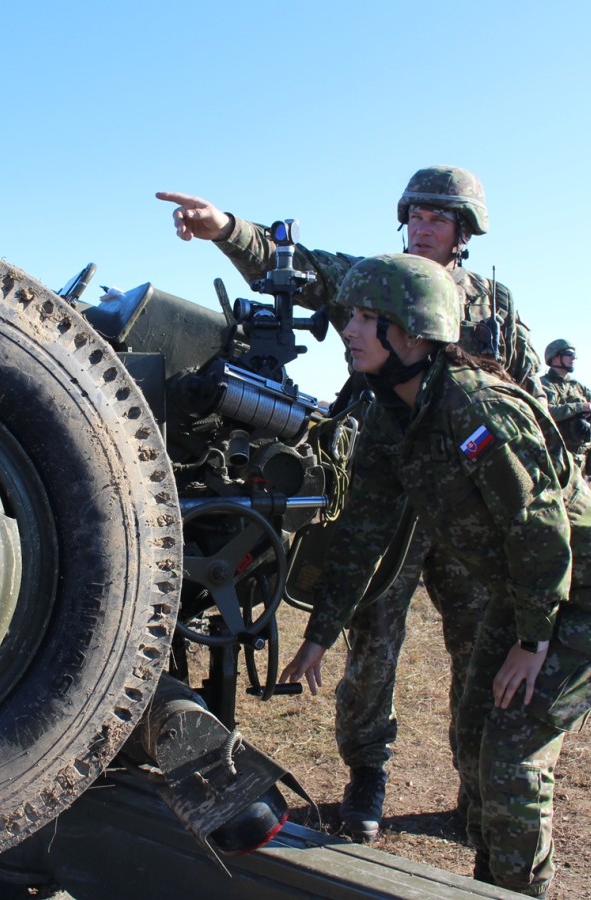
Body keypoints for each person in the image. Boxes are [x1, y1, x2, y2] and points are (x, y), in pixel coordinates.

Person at [158, 167, 541, 842]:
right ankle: (367, 775)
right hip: (385, 491)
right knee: (373, 642)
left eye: (438, 218)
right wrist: (225, 229)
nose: (423, 228)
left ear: (464, 232)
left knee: (482, 644)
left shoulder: (497, 309)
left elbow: (527, 393)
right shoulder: (377, 282)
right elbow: (300, 268)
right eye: (415, 215)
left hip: (470, 507)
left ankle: (479, 788)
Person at [278, 253, 591, 898]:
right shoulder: (390, 413)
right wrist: (320, 633)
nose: (350, 330)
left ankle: (518, 890)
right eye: (351, 315)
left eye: (367, 317)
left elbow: (539, 528)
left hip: (587, 594)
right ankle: (490, 880)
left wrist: (532, 641)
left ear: (413, 332)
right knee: (474, 740)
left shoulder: (478, 409)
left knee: (510, 756)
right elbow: (364, 532)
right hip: (520, 591)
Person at [541, 339, 591, 481]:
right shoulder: (544, 385)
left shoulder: (578, 387)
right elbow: (547, 412)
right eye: (569, 354)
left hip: (581, 458)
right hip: (557, 458)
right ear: (555, 357)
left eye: (574, 355)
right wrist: (579, 407)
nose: (573, 358)